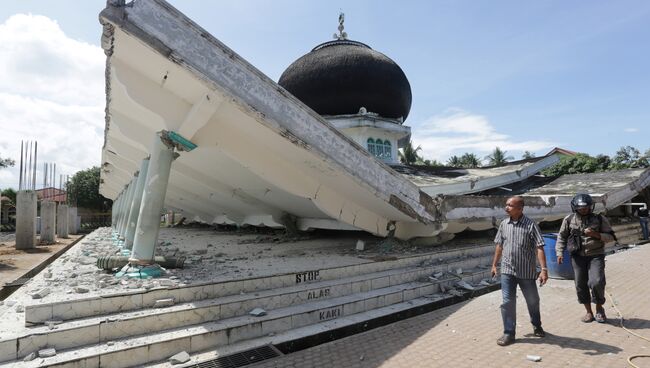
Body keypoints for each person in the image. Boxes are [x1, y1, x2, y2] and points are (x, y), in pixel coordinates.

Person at [491, 196, 548, 346]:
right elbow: (499, 245)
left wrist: (544, 269)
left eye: (510, 205)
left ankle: (536, 324)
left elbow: (539, 247)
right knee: (508, 302)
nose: (506, 207)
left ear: (520, 208)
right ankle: (509, 333)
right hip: (507, 270)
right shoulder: (504, 224)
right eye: (506, 204)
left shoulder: (531, 225)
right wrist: (494, 265)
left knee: (533, 301)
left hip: (526, 272)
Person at [556, 193, 614, 323]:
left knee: (597, 281)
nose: (584, 210)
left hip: (596, 255)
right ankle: (589, 312)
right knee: (580, 284)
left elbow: (611, 237)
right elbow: (561, 237)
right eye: (581, 208)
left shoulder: (599, 219)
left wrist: (596, 234)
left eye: (587, 207)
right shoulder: (569, 219)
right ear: (575, 208)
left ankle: (599, 308)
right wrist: (559, 253)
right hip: (577, 257)